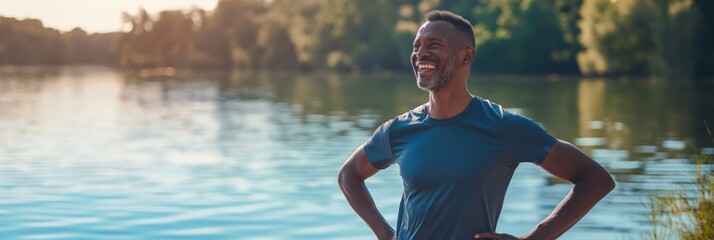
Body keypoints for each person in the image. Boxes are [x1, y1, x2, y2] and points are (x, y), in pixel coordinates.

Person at [337, 10, 615, 240]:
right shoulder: (398, 130)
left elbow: (595, 180)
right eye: (417, 46)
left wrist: (533, 239)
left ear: (466, 56)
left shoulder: (504, 127)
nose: (421, 53)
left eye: (434, 45)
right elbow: (349, 175)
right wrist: (385, 234)